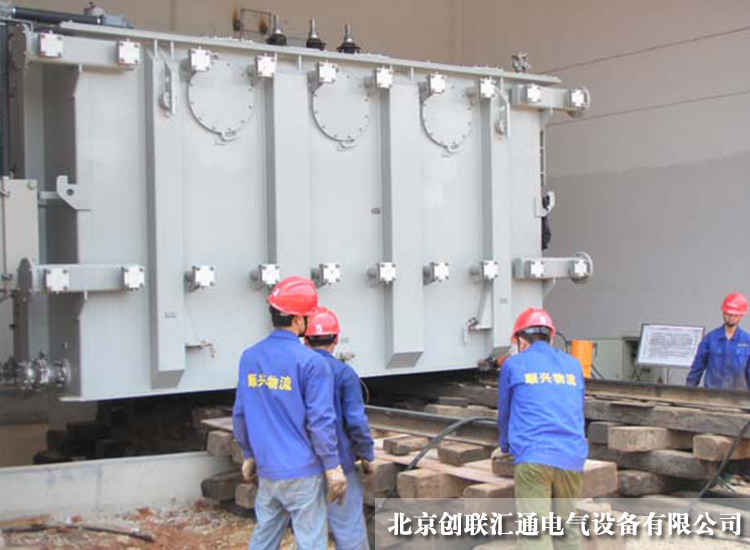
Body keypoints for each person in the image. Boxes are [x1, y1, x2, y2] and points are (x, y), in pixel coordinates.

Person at [232, 276, 347, 550]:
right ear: (297, 320)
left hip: (268, 470)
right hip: (302, 472)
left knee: (264, 538)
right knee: (310, 541)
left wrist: (248, 454)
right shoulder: (311, 363)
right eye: (307, 317)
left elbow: (240, 413)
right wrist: (332, 467)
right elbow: (320, 421)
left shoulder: (250, 357)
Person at [496, 307, 587, 550]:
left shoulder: (513, 364)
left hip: (534, 458)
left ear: (521, 340)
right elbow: (576, 408)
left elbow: (505, 413)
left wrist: (505, 446)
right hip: (572, 456)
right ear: (551, 337)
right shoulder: (573, 365)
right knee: (568, 532)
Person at [305, 306, 374, 550]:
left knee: (309, 532)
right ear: (335, 339)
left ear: (306, 339)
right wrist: (366, 454)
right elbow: (356, 421)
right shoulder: (344, 374)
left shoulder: (297, 371)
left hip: (303, 465)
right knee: (348, 528)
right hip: (340, 463)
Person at [687, 292, 750, 390]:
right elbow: (697, 367)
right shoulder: (710, 339)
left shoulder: (747, 341)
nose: (731, 317)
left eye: (735, 314)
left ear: (741, 315)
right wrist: (688, 391)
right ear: (723, 312)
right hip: (712, 395)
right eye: (728, 313)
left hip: (739, 396)